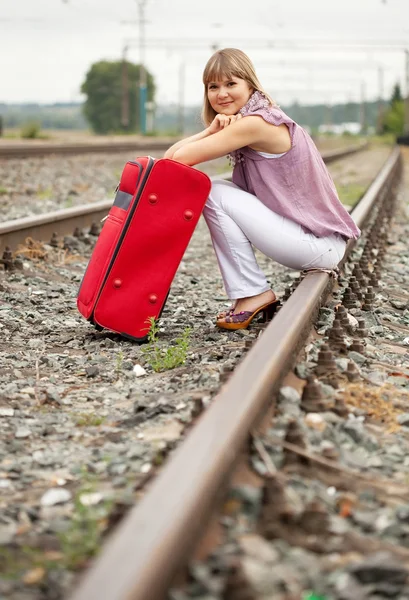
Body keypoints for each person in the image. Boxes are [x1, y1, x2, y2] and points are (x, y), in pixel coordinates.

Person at [164, 48, 360, 331]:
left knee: (211, 191)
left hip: (316, 244)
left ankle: (252, 293)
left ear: (250, 85)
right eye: (213, 86)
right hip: (317, 242)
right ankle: (250, 290)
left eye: (231, 84)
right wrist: (210, 130)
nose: (221, 94)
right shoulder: (259, 117)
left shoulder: (255, 124)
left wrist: (210, 133)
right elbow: (169, 160)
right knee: (217, 189)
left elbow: (174, 160)